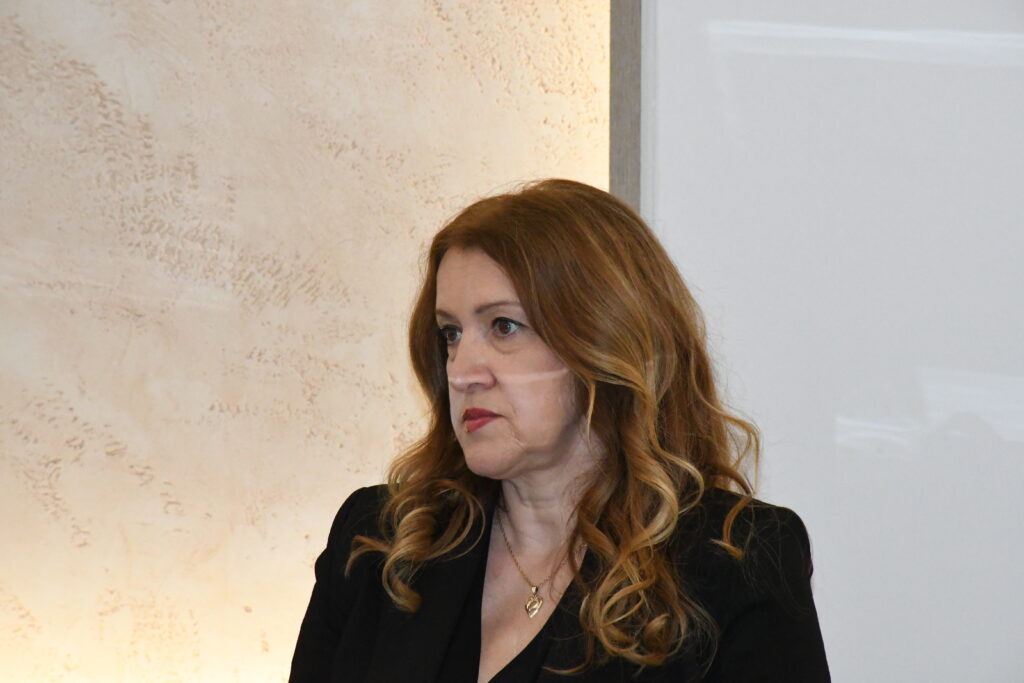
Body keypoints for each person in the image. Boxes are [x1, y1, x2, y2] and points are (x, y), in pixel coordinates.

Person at [289, 179, 830, 682]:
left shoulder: (736, 563)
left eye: (504, 326)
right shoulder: (379, 543)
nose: (463, 371)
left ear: (607, 341)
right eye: (451, 333)